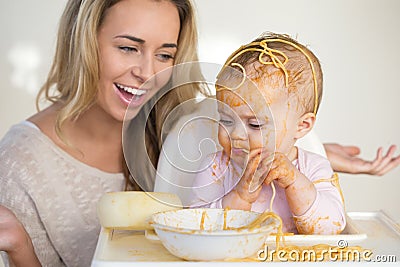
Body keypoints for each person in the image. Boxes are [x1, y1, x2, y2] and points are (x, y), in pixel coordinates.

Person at [0, 0, 208, 266]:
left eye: (164, 55)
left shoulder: (181, 137)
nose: (147, 73)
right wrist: (23, 250)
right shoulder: (18, 164)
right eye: (128, 48)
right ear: (83, 42)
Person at [191, 32, 347, 235]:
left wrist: (294, 182)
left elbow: (330, 228)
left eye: (254, 124)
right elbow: (194, 226)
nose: (236, 135)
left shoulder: (313, 169)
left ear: (302, 126)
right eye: (226, 120)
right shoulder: (216, 168)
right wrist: (240, 197)